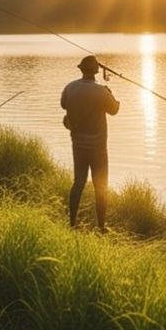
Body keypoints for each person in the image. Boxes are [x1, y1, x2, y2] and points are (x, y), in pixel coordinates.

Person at [61, 55, 120, 231]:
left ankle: (72, 223)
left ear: (81, 70)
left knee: (78, 183)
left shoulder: (69, 87)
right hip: (98, 149)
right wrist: (110, 94)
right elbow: (114, 110)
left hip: (78, 146)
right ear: (96, 71)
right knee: (101, 186)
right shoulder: (101, 91)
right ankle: (101, 227)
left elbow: (64, 105)